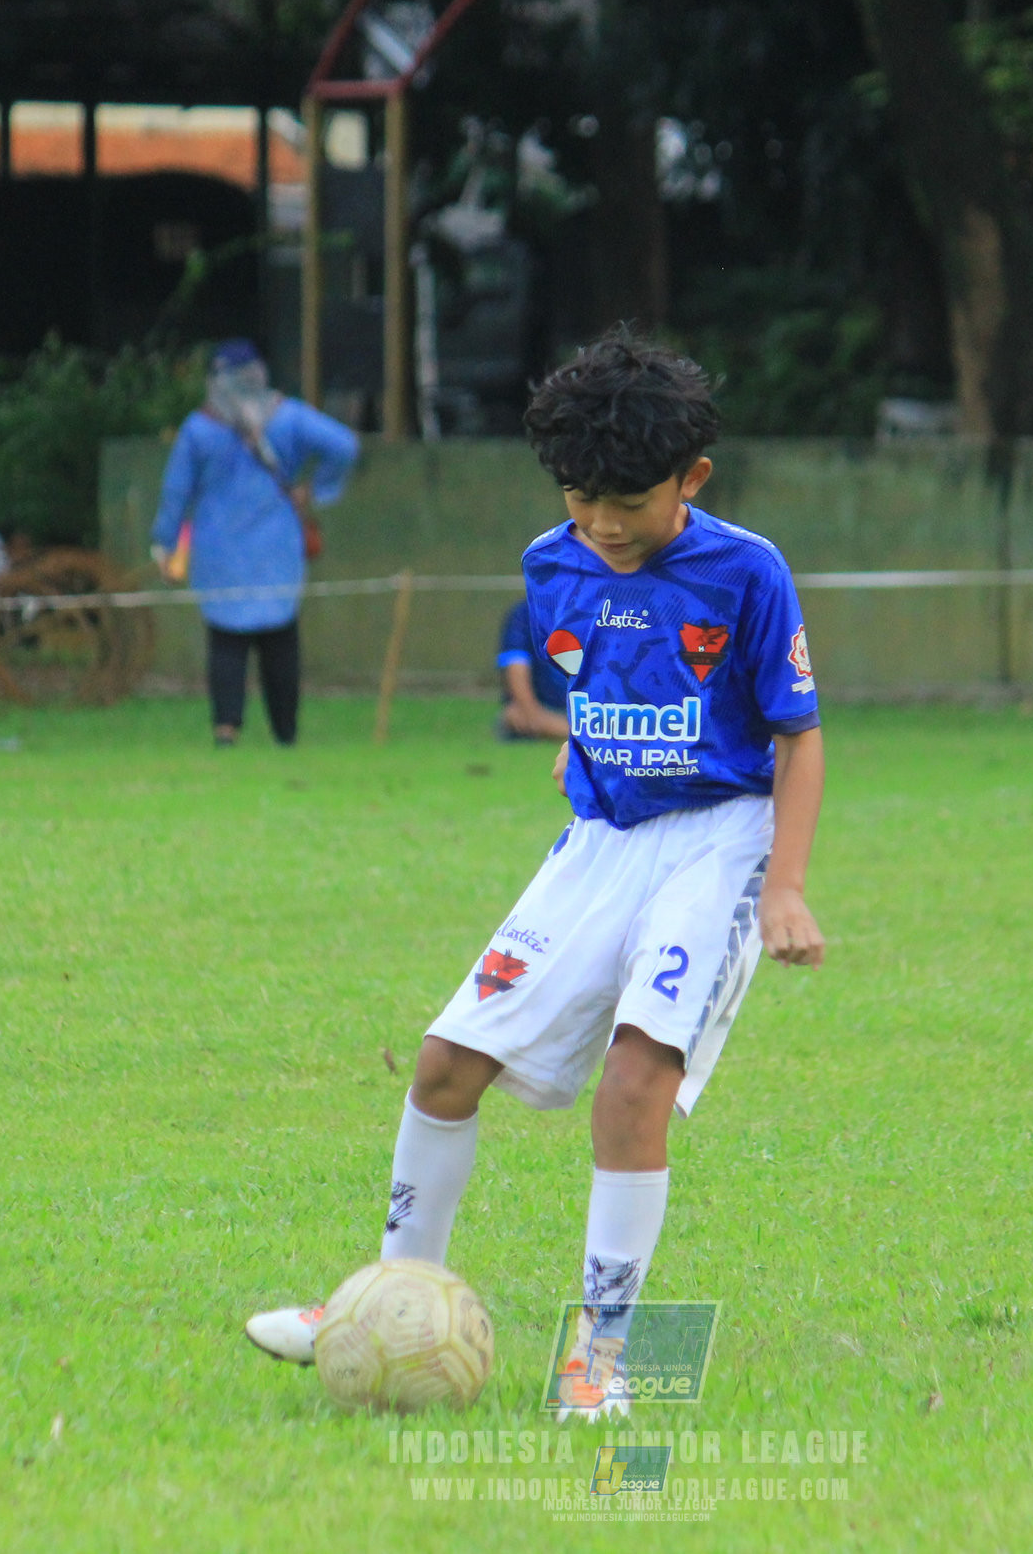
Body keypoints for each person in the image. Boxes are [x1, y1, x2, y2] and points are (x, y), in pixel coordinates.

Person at [242, 331, 828, 1421]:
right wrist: (585, 747)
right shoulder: (551, 560)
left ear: (690, 479)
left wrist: (783, 886)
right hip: (597, 839)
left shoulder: (748, 571)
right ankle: (379, 1300)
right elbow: (599, 681)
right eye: (579, 496)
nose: (602, 524)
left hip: (718, 844)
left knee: (632, 1086)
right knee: (442, 1065)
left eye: (629, 502)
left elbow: (798, 736)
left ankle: (599, 1354)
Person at [150, 339, 357, 747]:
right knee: (281, 642)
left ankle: (226, 730)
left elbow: (176, 492)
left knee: (226, 642)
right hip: (277, 552)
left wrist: (164, 544)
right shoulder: (288, 417)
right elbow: (345, 446)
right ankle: (286, 733)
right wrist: (316, 490)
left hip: (219, 555)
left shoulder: (200, 429)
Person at [495, 596, 570, 739]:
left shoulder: (598, 612)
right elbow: (516, 668)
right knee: (514, 716)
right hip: (547, 709)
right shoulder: (524, 614)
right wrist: (531, 713)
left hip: (592, 711)